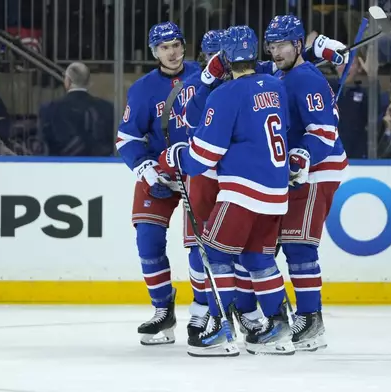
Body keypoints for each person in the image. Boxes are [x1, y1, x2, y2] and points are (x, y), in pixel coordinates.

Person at [159, 25, 294, 357]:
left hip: (242, 191)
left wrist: (178, 156)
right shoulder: (275, 85)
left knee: (217, 255)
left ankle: (220, 329)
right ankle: (279, 327)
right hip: (276, 192)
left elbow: (204, 155)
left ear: (225, 57)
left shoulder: (225, 94)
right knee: (257, 258)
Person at [264, 15, 348, 352]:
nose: (274, 51)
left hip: (318, 169)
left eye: (281, 44)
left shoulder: (307, 79)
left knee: (299, 244)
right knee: (279, 242)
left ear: (297, 45)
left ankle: (311, 319)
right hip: (296, 170)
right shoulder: (283, 71)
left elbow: (325, 131)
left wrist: (301, 157)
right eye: (271, 45)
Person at [116, 21, 200, 345]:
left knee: (199, 246)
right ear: (155, 52)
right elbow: (127, 139)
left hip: (198, 169)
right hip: (161, 168)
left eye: (176, 44)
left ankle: (202, 311)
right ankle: (163, 311)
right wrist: (146, 169)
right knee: (147, 238)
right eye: (165, 47)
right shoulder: (142, 89)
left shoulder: (204, 77)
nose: (173, 51)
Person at [181, 29, 265, 339]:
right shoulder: (200, 84)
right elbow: (191, 119)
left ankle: (246, 308)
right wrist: (205, 81)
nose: (217, 62)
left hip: (239, 176)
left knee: (243, 248)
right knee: (199, 246)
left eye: (221, 55)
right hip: (205, 175)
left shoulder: (249, 84)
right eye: (210, 56)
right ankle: (203, 307)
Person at [39, 62, 114, 156]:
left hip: (59, 166)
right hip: (99, 166)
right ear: (88, 83)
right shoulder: (107, 107)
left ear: (68, 81)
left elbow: (43, 144)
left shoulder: (49, 108)